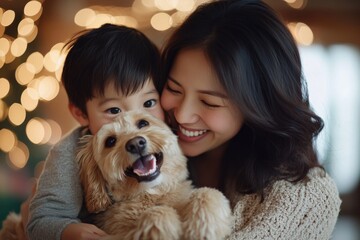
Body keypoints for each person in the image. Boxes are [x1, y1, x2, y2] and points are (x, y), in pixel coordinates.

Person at [160, 0, 341, 239]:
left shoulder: (306, 196)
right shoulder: (141, 154)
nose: (182, 114)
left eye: (209, 102)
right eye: (174, 89)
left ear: (258, 104)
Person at [27, 23, 164, 240]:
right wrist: (69, 231)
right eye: (114, 110)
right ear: (81, 114)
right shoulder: (69, 154)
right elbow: (41, 220)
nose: (133, 125)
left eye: (148, 103)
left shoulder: (169, 139)